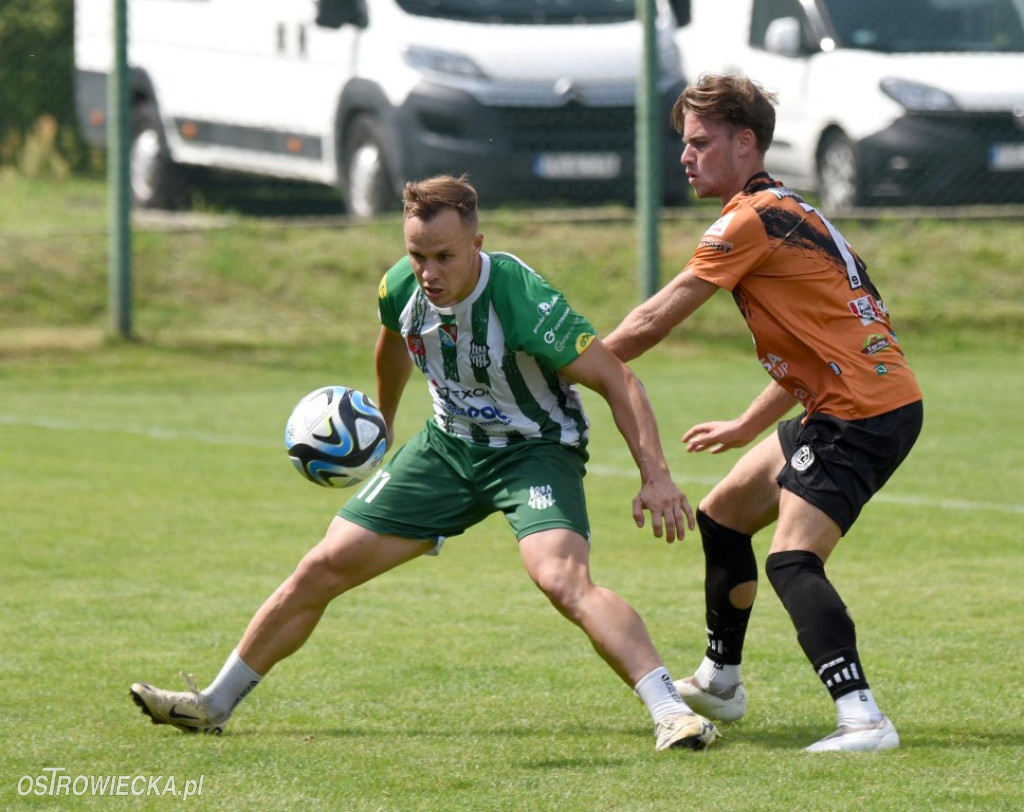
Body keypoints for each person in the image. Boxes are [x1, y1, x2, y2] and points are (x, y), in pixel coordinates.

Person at [129, 174, 719, 752]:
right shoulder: (400, 286)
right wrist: (384, 424)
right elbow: (392, 342)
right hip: (446, 446)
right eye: (417, 256)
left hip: (533, 451)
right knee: (323, 565)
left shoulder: (522, 299)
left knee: (561, 579)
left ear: (476, 246)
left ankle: (672, 714)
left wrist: (657, 476)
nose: (429, 272)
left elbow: (619, 379)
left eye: (443, 256)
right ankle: (212, 704)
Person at [603, 74, 924, 752]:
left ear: (744, 142)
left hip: (858, 414)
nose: (685, 156)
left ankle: (864, 718)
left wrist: (573, 362)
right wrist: (748, 427)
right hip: (855, 400)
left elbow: (659, 314)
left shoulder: (749, 220)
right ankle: (721, 681)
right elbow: (820, 345)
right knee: (723, 515)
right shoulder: (783, 211)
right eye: (683, 144)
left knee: (792, 561)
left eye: (699, 143)